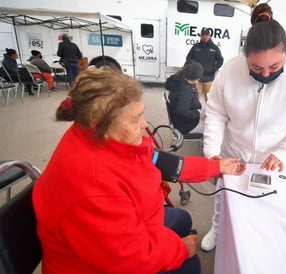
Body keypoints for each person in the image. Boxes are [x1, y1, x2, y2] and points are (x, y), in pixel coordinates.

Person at [32, 67, 246, 274]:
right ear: (99, 126)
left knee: (182, 219)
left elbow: (160, 161)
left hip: (126, 224)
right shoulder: (91, 186)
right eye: (135, 119)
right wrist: (181, 249)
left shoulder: (107, 138)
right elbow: (130, 258)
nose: (144, 125)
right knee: (190, 265)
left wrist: (214, 167)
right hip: (98, 264)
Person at [200, 20, 286, 251]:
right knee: (224, 196)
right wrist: (212, 152)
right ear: (245, 56)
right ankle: (218, 229)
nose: (266, 74)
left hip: (276, 157)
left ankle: (260, 242)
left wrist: (285, 153)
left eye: (275, 67)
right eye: (257, 68)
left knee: (271, 202)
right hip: (234, 151)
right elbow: (216, 113)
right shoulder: (230, 70)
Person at [166, 61, 205, 134]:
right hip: (185, 126)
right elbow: (182, 112)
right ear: (196, 76)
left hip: (183, 120)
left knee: (209, 116)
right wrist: (198, 113)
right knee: (212, 127)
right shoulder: (185, 90)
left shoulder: (182, 81)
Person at [186, 28, 223, 101]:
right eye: (203, 35)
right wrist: (193, 69)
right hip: (196, 78)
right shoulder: (195, 47)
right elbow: (188, 58)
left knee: (210, 100)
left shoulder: (214, 48)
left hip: (209, 79)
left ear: (210, 36)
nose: (204, 37)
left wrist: (214, 69)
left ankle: (210, 112)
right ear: (200, 36)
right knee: (194, 98)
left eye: (206, 35)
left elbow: (220, 60)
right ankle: (194, 112)